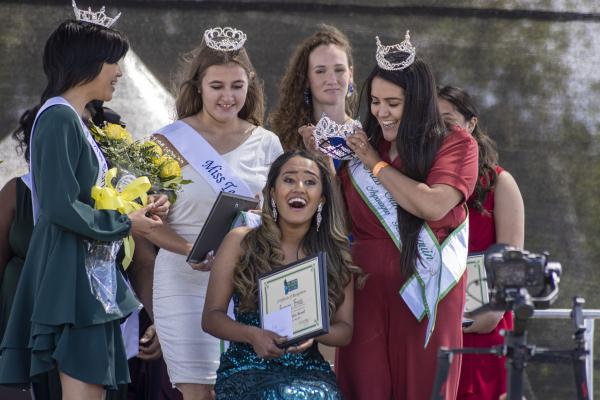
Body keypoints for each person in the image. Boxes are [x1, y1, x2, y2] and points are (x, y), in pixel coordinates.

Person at [0, 15, 164, 400]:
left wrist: (135, 211)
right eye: (113, 61)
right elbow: (61, 207)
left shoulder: (71, 119)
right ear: (86, 61)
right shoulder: (59, 117)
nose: (120, 72)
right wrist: (125, 222)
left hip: (83, 274)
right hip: (72, 279)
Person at [321, 32, 479, 399]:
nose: (381, 112)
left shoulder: (455, 142)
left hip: (426, 288)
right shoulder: (362, 145)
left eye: (393, 102)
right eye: (375, 101)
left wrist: (375, 165)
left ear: (419, 101)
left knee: (424, 387)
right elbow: (339, 221)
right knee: (365, 387)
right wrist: (324, 166)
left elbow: (432, 205)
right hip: (364, 288)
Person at [144, 26, 283, 400]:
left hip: (244, 281)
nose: (227, 96)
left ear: (249, 86)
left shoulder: (267, 143)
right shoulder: (168, 141)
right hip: (182, 277)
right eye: (217, 86)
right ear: (199, 87)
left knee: (238, 390)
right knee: (198, 391)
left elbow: (279, 218)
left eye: (236, 86)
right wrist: (191, 248)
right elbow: (148, 223)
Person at [202, 150, 363, 399]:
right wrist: (252, 335)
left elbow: (345, 331)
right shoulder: (240, 241)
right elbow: (211, 318)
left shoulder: (333, 254)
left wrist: (313, 331)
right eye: (289, 180)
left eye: (310, 182)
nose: (299, 188)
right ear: (273, 193)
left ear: (321, 199)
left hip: (309, 370)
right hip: (247, 367)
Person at [438, 85, 524, 400]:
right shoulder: (420, 186)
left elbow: (513, 266)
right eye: (432, 124)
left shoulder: (500, 183)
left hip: (487, 327)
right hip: (436, 330)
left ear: (471, 124)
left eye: (448, 122)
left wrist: (493, 312)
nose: (440, 131)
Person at [269, 24, 357, 152]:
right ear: (306, 79)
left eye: (339, 69)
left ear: (351, 75)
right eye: (320, 71)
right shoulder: (284, 142)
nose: (332, 79)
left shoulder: (369, 137)